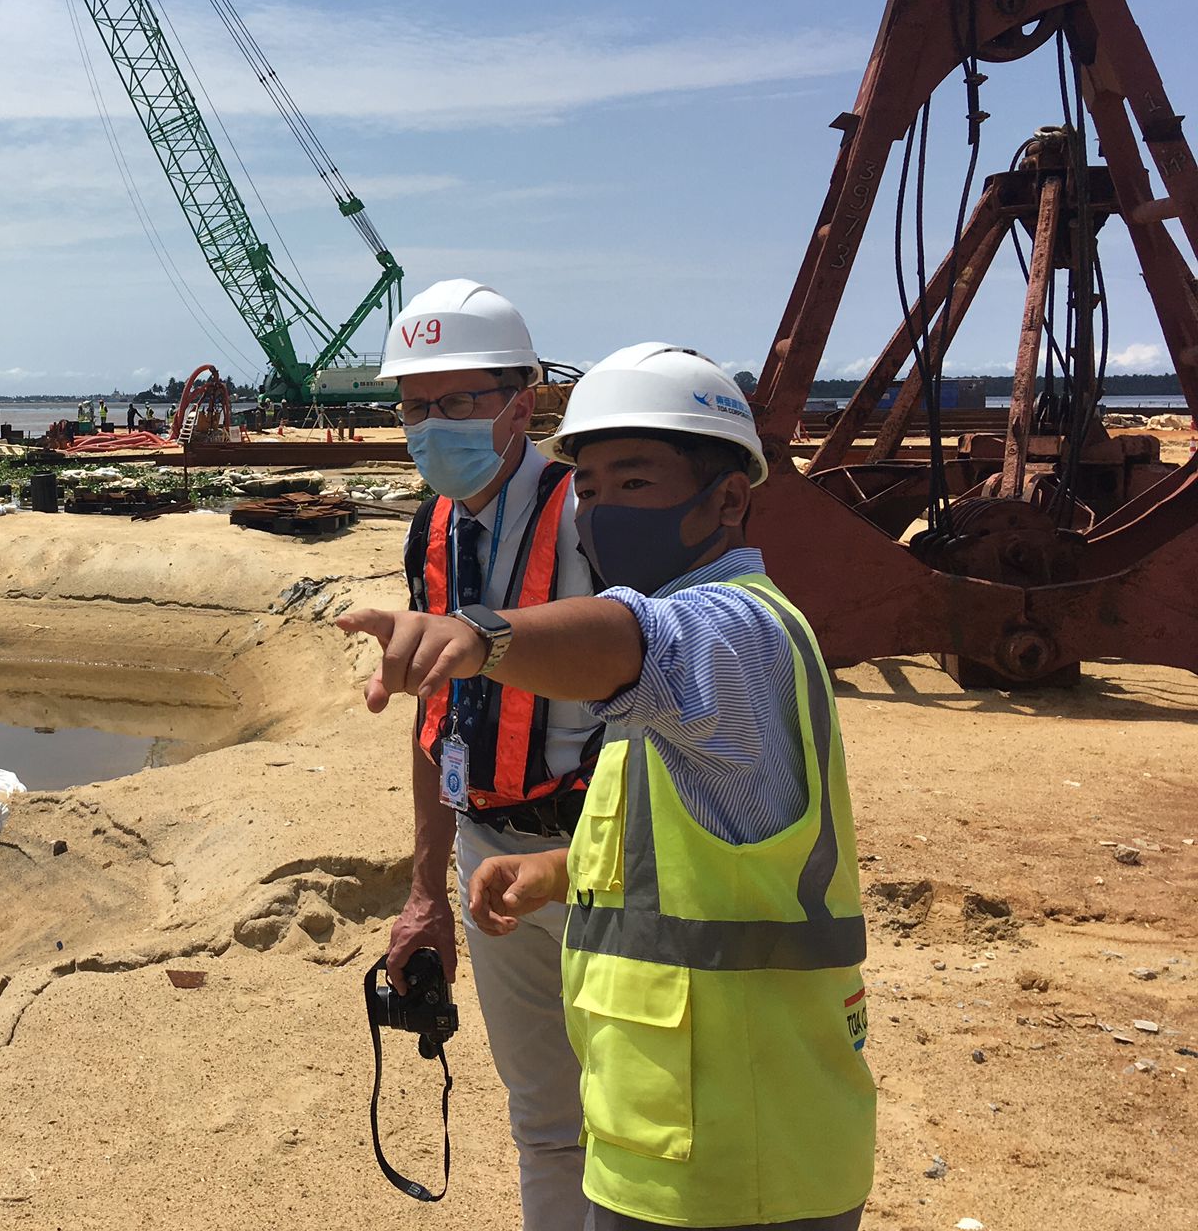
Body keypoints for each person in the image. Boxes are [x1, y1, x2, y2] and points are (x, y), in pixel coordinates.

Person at [342, 343, 874, 1231]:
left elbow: (631, 639)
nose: (598, 511)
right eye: (586, 489)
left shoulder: (732, 630)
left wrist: (482, 636)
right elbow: (692, 841)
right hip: (676, 1149)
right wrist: (561, 869)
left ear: (729, 498)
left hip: (740, 1160)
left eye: (634, 485)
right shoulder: (682, 679)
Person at [358, 278, 599, 1231]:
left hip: (594, 851)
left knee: (645, 1113)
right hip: (483, 848)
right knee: (543, 1117)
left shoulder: (593, 514)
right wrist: (427, 891)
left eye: (458, 401)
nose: (432, 426)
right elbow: (432, 720)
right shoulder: (432, 528)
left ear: (524, 400)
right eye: (416, 406)